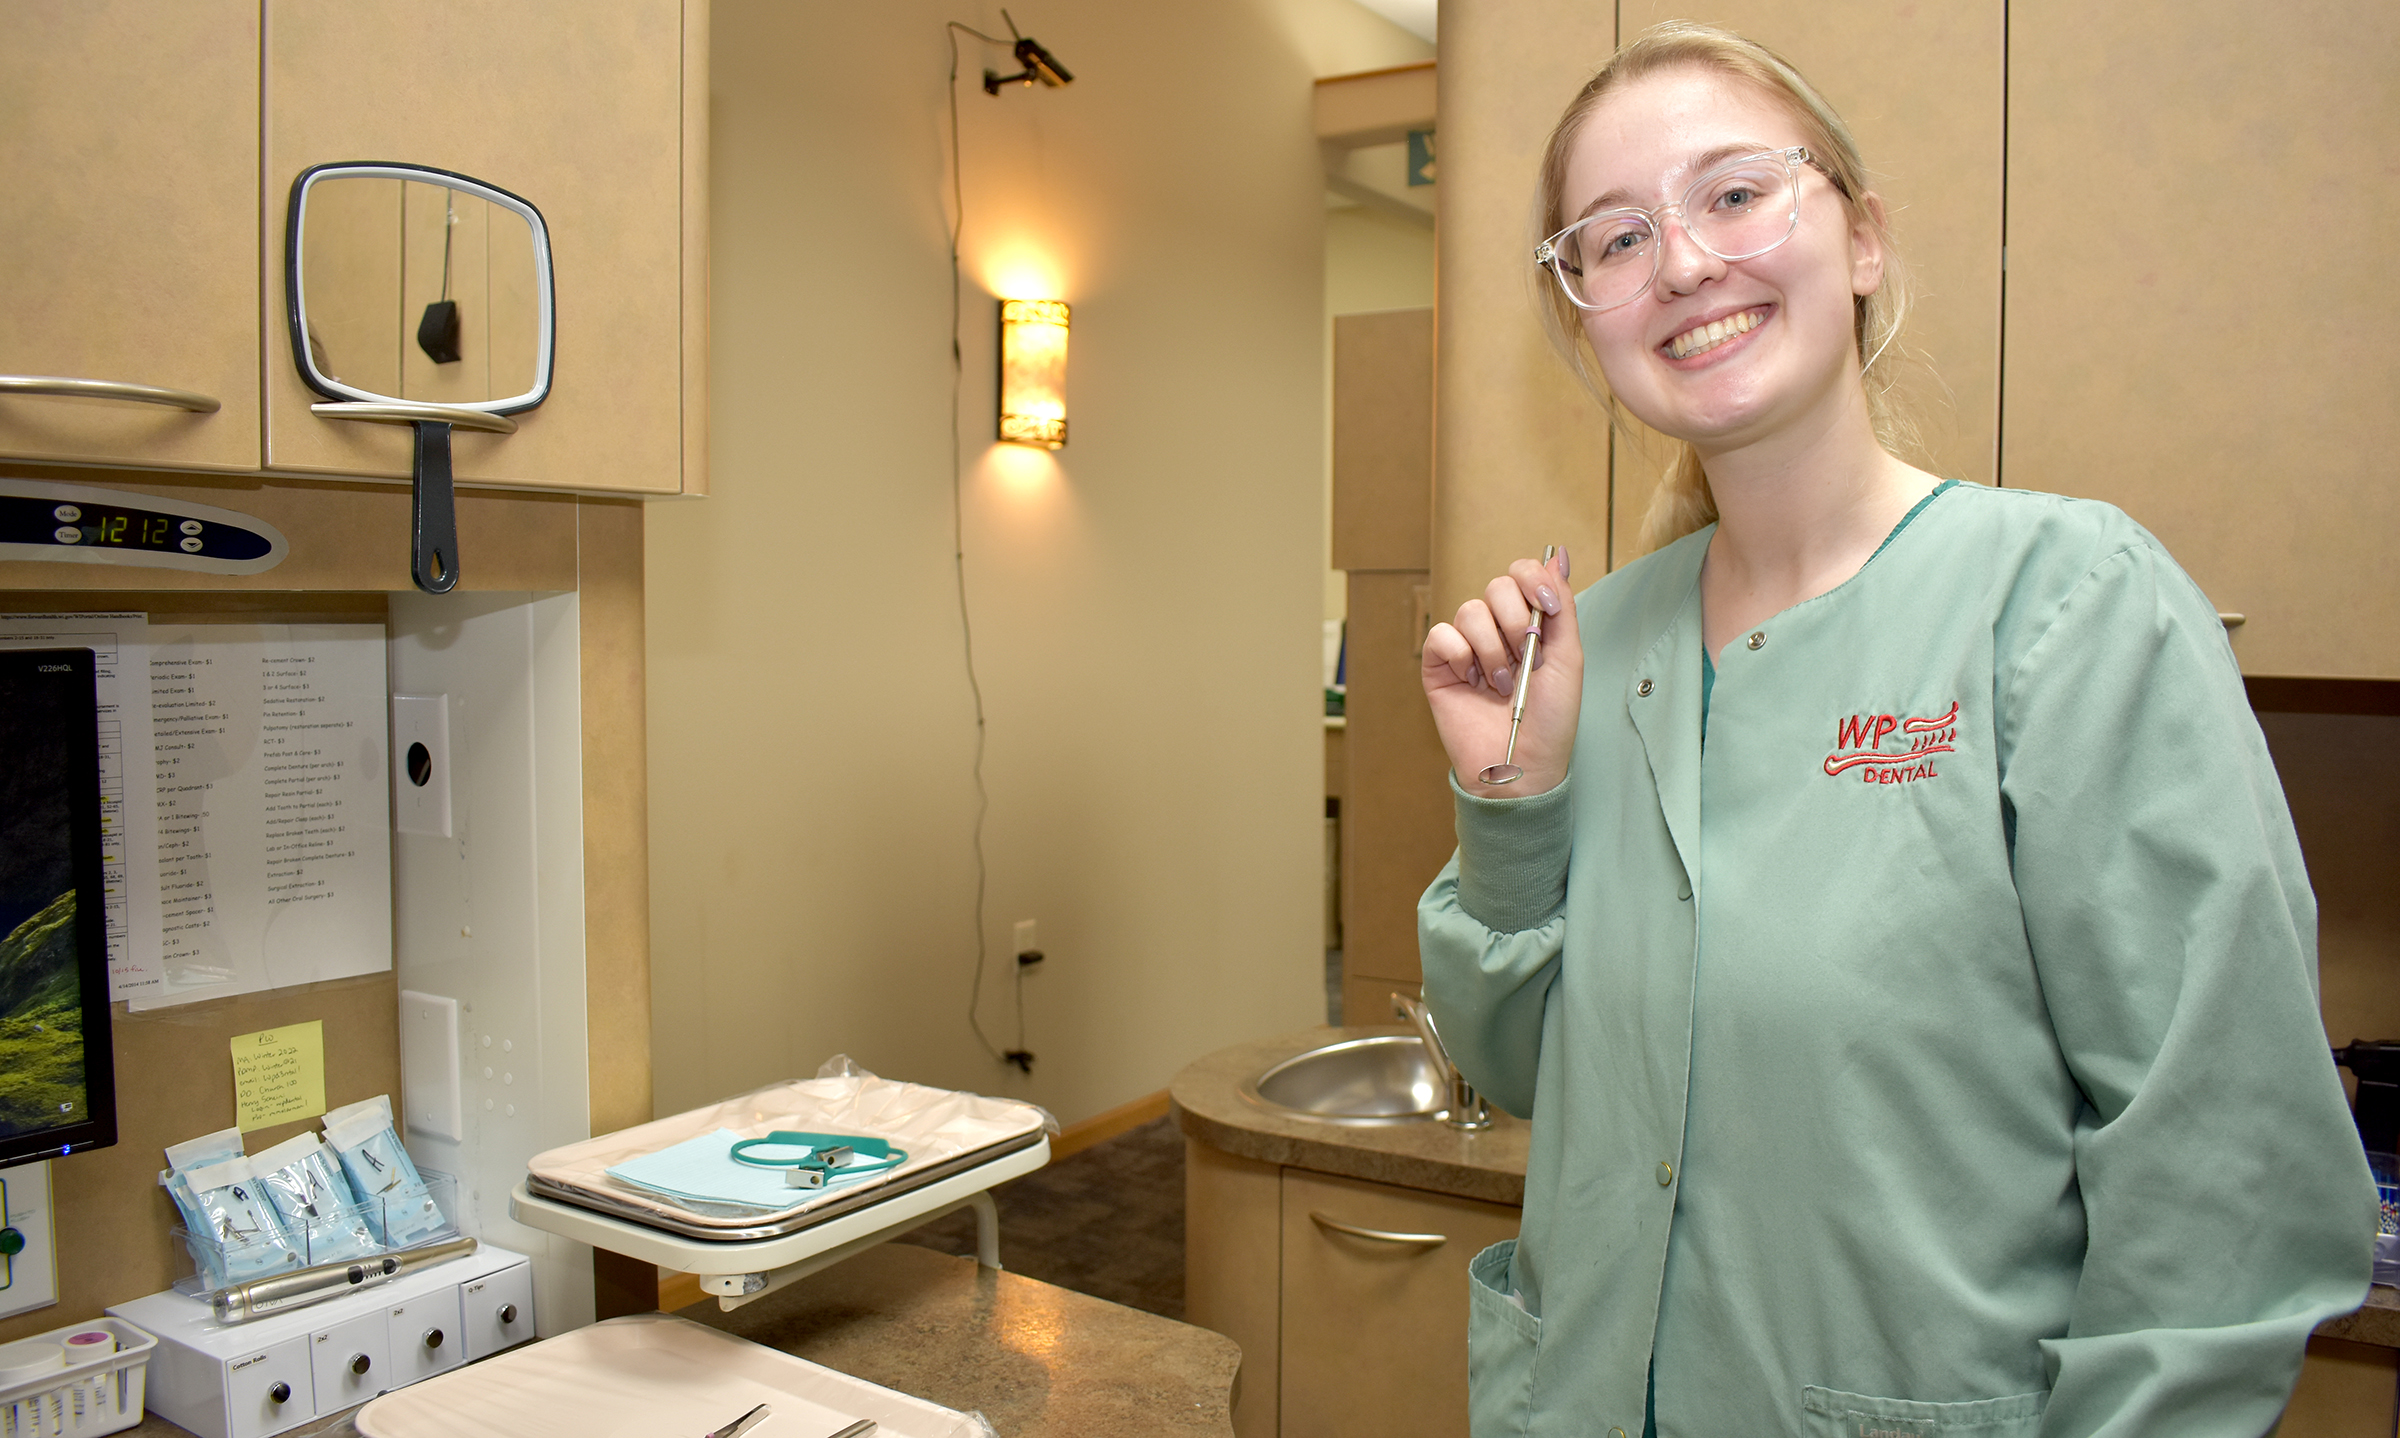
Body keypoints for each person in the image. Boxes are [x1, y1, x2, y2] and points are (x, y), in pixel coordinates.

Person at [1415, 22, 2375, 1438]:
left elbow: (2229, 1187)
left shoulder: (2065, 607)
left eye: (1734, 193)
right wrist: (1515, 809)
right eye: (1612, 239)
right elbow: (1519, 1074)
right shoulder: (1588, 649)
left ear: (1861, 237)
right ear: (1582, 314)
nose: (1680, 262)